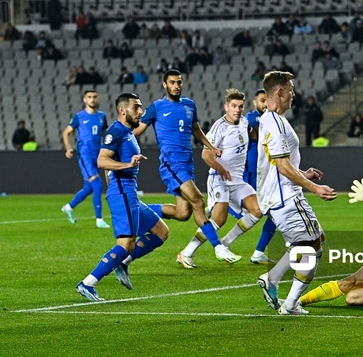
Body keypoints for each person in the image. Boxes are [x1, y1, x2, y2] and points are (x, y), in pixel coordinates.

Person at [134, 70, 239, 263]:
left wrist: (211, 146)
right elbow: (137, 131)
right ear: (164, 85)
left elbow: (196, 130)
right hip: (171, 162)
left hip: (187, 162)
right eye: (172, 82)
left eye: (179, 82)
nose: (176, 86)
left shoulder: (189, 105)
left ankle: (142, 210)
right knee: (198, 201)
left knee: (183, 213)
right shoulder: (157, 107)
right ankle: (218, 248)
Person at [255, 71, 337, 315]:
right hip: (285, 198)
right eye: (290, 89)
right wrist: (315, 188)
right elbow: (281, 166)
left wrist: (303, 173)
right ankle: (288, 302)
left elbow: (278, 165)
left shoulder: (270, 120)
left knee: (315, 241)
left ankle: (274, 281)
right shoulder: (276, 123)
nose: (294, 93)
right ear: (279, 92)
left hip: (280, 195)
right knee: (311, 248)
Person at [75, 93, 169, 301]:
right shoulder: (116, 132)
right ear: (122, 110)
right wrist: (127, 166)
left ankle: (123, 263)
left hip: (129, 193)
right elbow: (102, 161)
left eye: (141, 107)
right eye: (136, 107)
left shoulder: (128, 132)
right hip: (122, 191)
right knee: (126, 244)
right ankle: (88, 283)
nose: (140, 111)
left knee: (161, 231)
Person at [176, 89, 265, 267]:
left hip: (237, 180)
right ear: (226, 107)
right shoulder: (219, 127)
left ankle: (225, 242)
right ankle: (186, 253)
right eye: (233, 106)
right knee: (219, 219)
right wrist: (221, 168)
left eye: (240, 106)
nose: (237, 110)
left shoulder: (245, 122)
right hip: (219, 178)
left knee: (257, 210)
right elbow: (205, 155)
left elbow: (251, 134)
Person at [61, 90, 110, 229]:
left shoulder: (102, 116)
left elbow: (105, 133)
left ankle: (69, 207)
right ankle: (99, 219)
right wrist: (68, 147)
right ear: (84, 99)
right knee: (98, 184)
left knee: (89, 187)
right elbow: (66, 132)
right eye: (89, 97)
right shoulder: (79, 117)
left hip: (97, 153)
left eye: (94, 97)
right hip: (85, 155)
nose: (92, 99)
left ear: (98, 98)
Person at [240, 89, 278, 264]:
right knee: (266, 212)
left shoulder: (273, 119)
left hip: (267, 172)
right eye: (262, 100)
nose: (265, 104)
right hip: (254, 172)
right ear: (255, 103)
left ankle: (258, 252)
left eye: (267, 100)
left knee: (272, 213)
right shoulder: (251, 118)